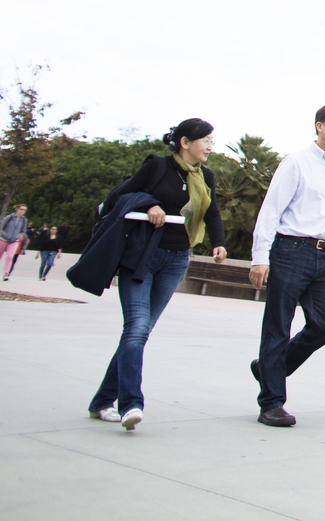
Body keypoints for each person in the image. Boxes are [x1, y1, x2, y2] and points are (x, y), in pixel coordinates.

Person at [87, 119, 228, 431]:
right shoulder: (157, 167)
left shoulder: (206, 176)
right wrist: (150, 203)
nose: (209, 146)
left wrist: (218, 243)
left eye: (211, 141)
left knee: (139, 333)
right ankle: (131, 404)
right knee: (136, 329)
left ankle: (101, 402)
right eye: (205, 140)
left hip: (177, 259)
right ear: (184, 142)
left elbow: (212, 212)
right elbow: (117, 196)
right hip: (141, 257)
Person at [249, 104, 325, 428]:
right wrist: (259, 257)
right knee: (278, 325)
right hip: (290, 249)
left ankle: (269, 369)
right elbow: (271, 211)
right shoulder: (295, 162)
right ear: (318, 126)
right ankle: (271, 403)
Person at [0, 205, 30, 280]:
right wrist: (5, 235)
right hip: (3, 239)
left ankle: (6, 274)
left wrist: (17, 236)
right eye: (21, 209)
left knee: (10, 257)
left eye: (24, 210)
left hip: (14, 240)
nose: (22, 211)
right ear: (17, 209)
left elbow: (23, 231)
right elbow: (0, 227)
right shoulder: (10, 217)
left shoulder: (23, 220)